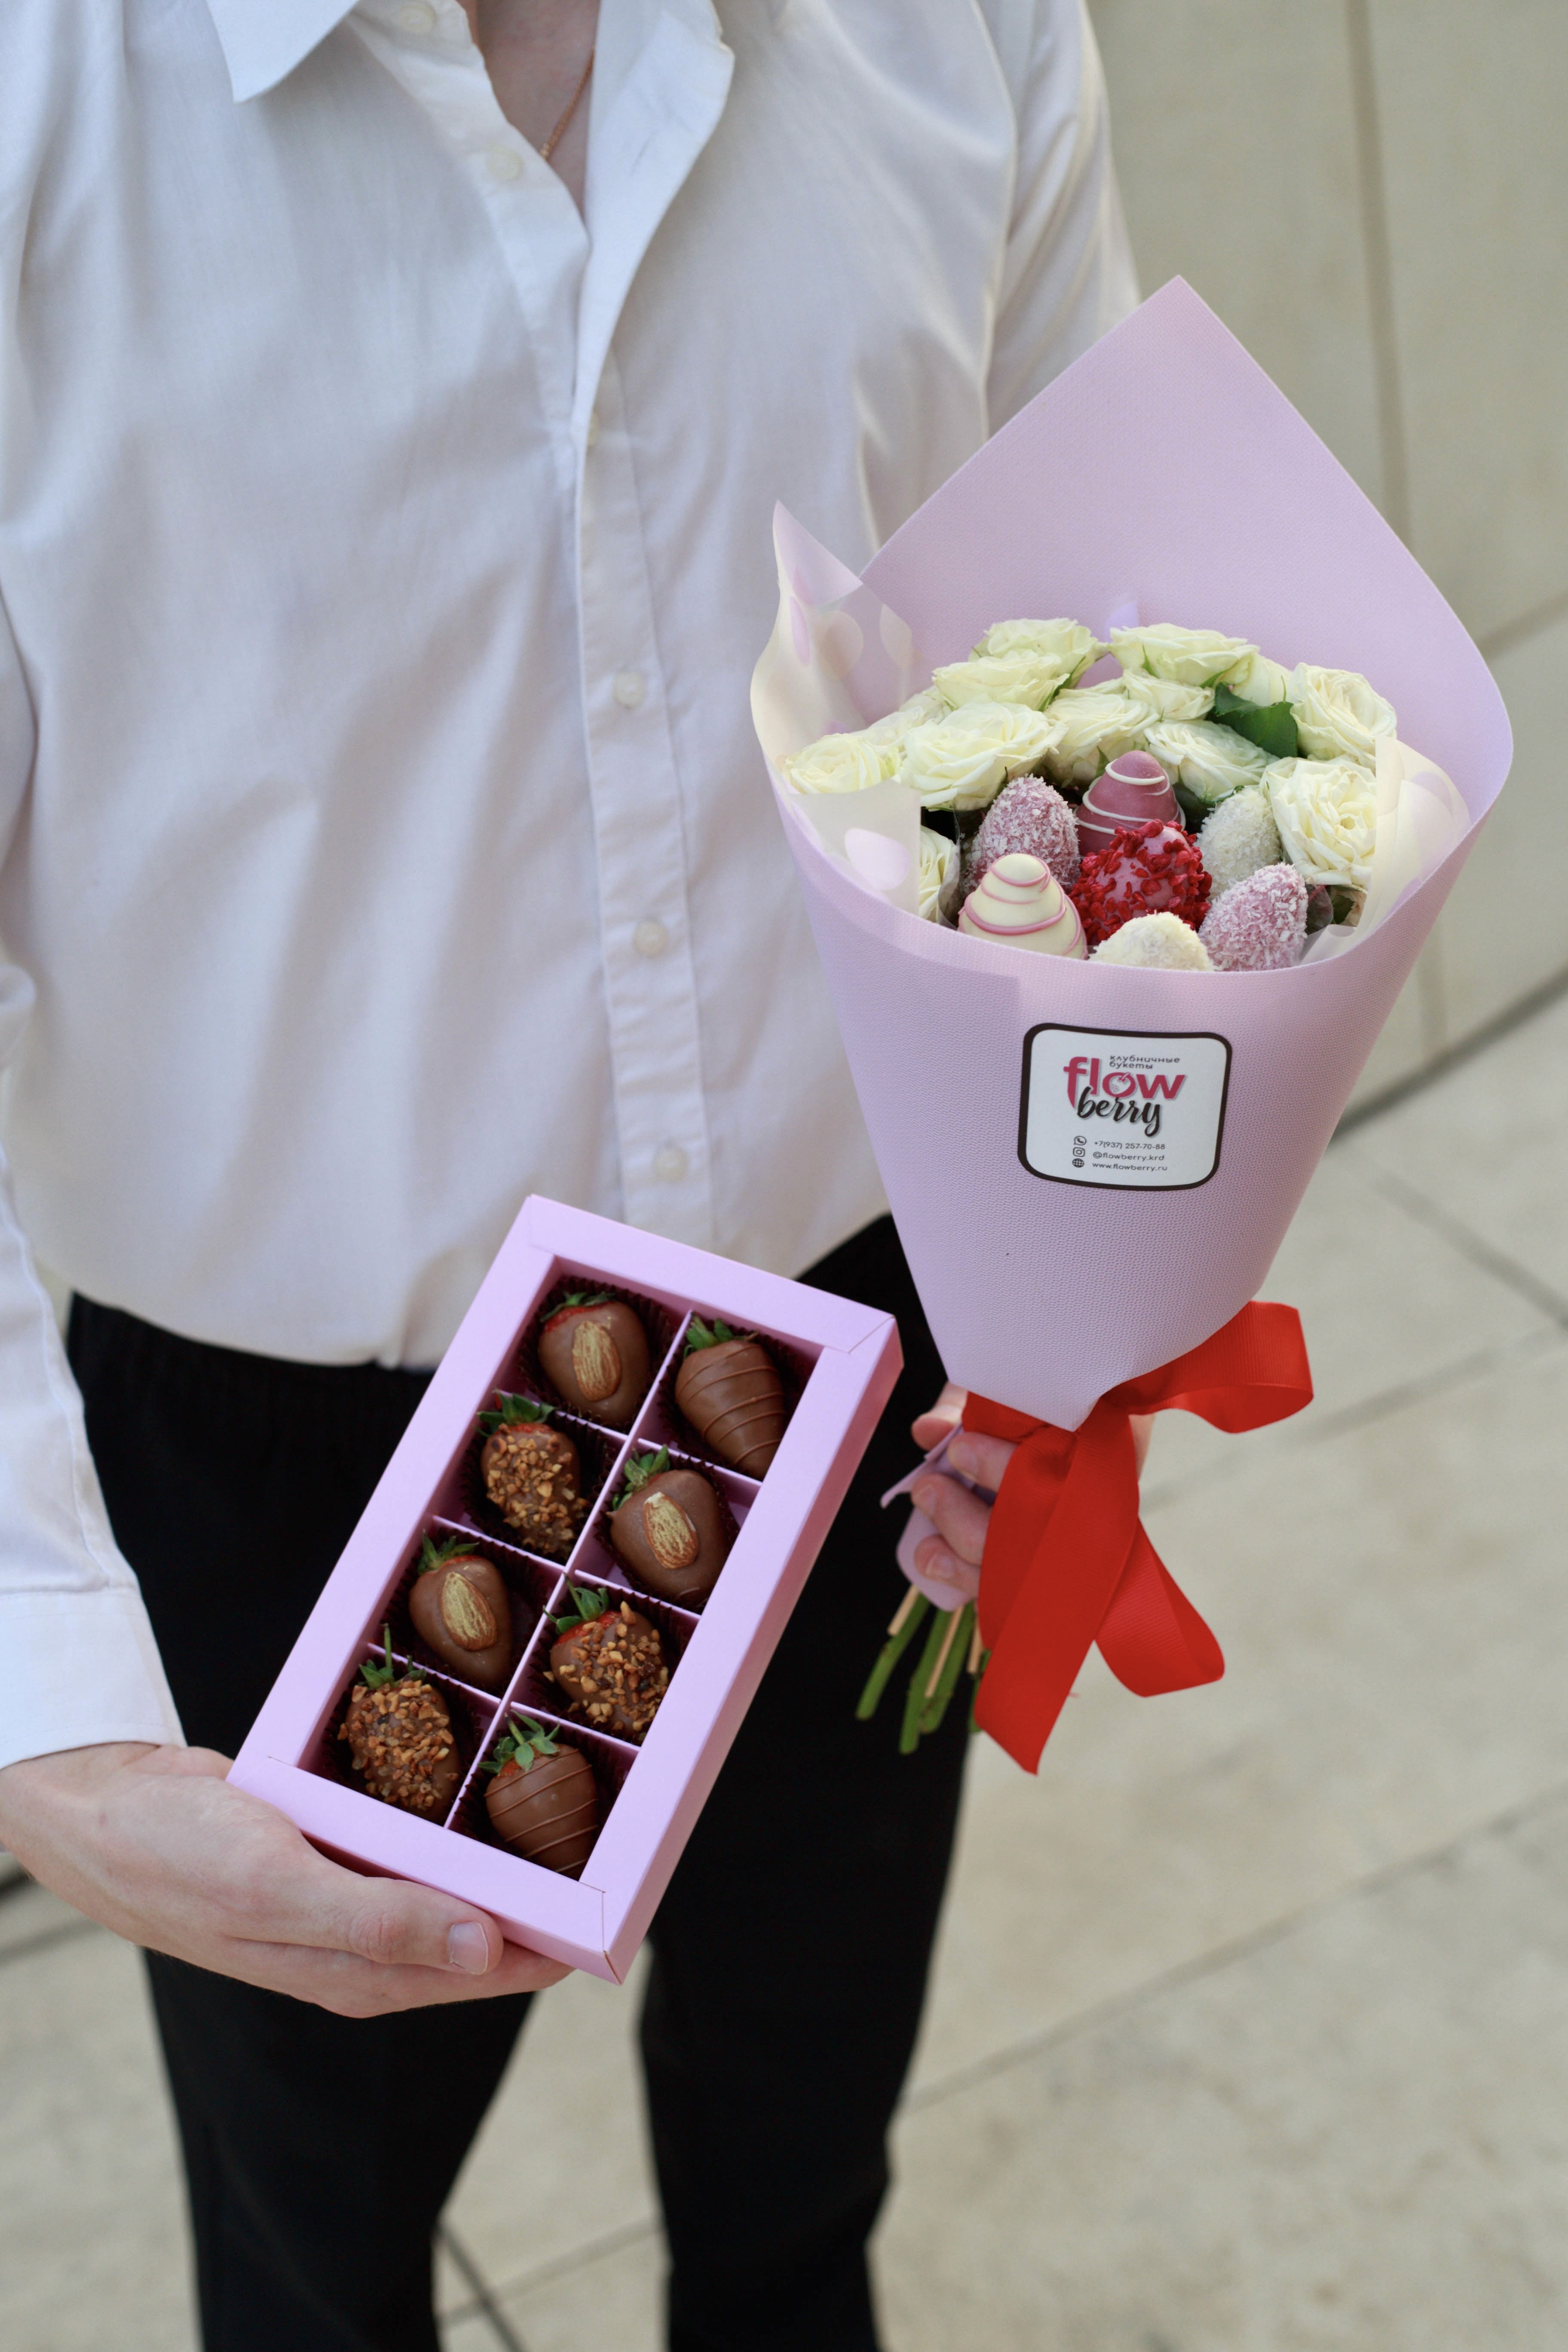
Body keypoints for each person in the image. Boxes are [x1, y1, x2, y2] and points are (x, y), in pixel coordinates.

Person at [0, 2, 1138, 2345]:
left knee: (803, 2180)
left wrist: (1079, 1288)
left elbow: (1086, 688)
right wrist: (41, 1692)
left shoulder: (958, 27)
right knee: (318, 2271)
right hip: (289, 1455)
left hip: (865, 1355)